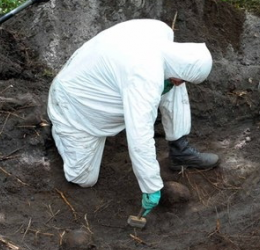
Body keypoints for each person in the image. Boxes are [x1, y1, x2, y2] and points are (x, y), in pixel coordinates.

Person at [47, 19, 219, 216]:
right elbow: (139, 136)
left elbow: (171, 78)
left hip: (105, 82)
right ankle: (60, 132)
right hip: (75, 106)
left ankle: (180, 150)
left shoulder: (160, 33)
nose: (181, 84)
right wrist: (151, 186)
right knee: (83, 178)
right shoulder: (144, 76)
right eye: (183, 79)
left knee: (172, 82)